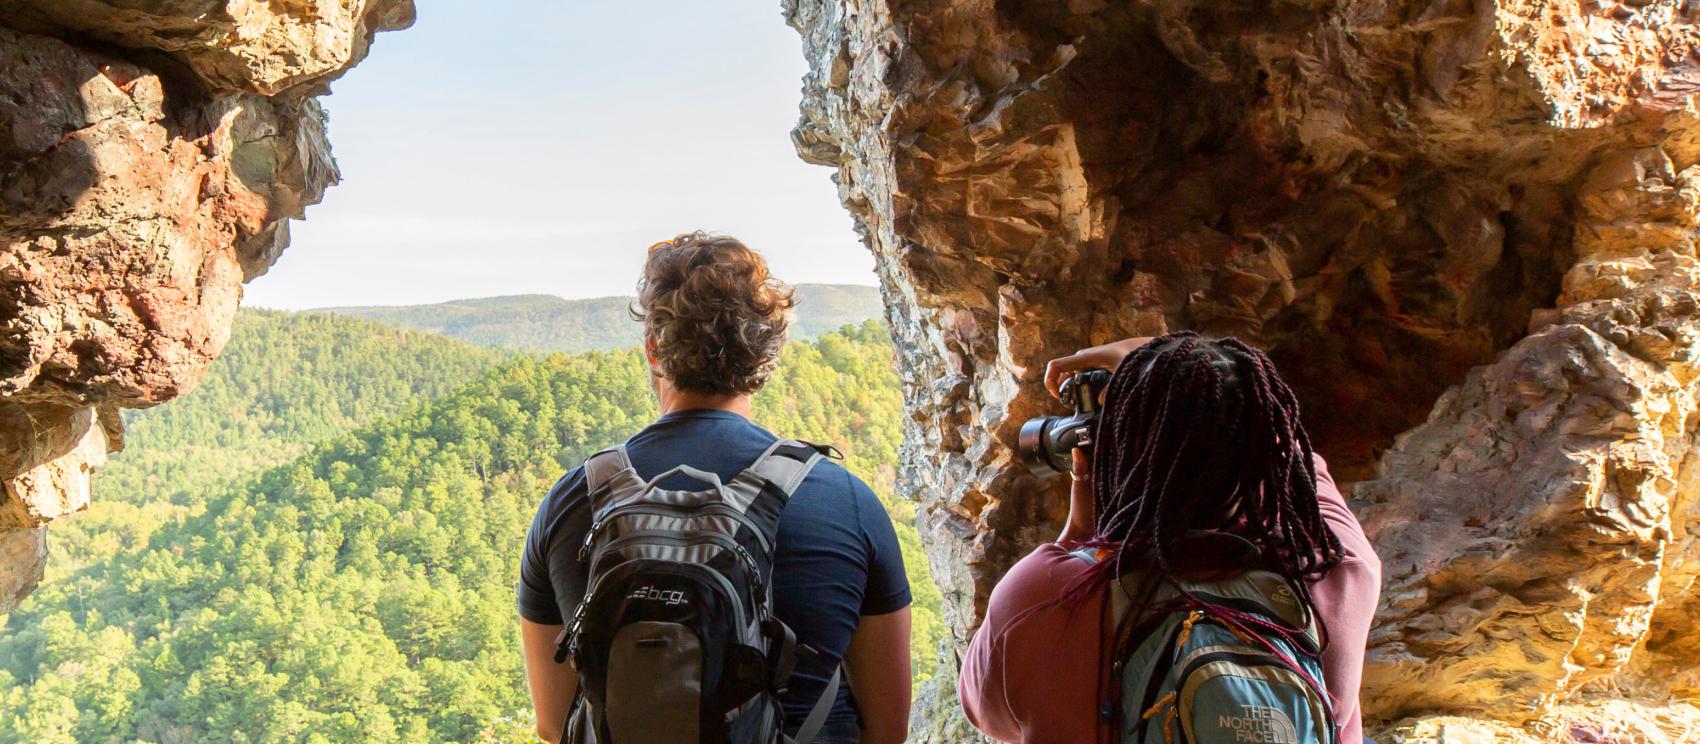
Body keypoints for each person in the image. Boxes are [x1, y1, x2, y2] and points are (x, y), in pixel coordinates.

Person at [517, 232, 913, 744]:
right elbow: (887, 730)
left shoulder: (572, 501)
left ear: (653, 348)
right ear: (766, 356)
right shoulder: (846, 501)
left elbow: (553, 724)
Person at [960, 333, 1382, 743]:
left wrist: (1081, 531)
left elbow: (984, 711)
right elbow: (1294, 459)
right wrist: (1204, 387)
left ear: (1110, 458)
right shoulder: (1333, 572)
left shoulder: (1043, 600)